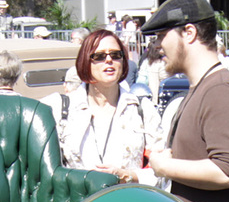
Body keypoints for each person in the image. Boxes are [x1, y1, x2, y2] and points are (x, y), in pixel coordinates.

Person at [144, 0, 229, 202]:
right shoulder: (204, 87)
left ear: (189, 33)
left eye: (163, 35)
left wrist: (166, 167)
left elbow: (228, 171)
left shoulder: (221, 90)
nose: (158, 45)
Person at [53, 29, 159, 185]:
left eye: (116, 55)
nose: (109, 60)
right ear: (85, 62)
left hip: (130, 201)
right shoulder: (61, 109)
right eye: (99, 56)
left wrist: (127, 176)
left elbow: (161, 171)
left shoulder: (142, 109)